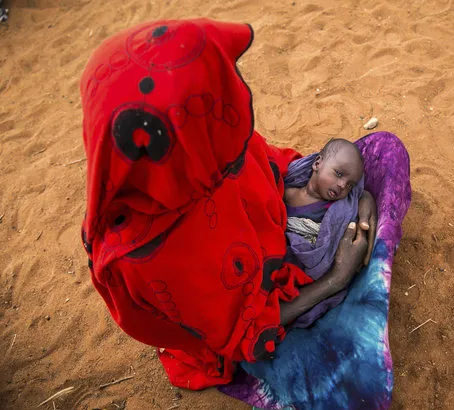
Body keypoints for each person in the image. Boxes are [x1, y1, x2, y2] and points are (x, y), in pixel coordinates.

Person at [80, 18, 376, 390]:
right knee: (345, 378)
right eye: (219, 90)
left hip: (273, 245)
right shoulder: (150, 259)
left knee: (386, 149)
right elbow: (247, 333)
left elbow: (274, 163)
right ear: (181, 131)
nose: (235, 94)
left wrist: (360, 200)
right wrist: (338, 277)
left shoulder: (208, 142)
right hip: (252, 319)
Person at [283, 138, 364, 279]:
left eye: (350, 185)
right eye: (339, 174)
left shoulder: (333, 210)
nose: (343, 185)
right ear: (317, 163)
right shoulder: (285, 191)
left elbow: (331, 241)